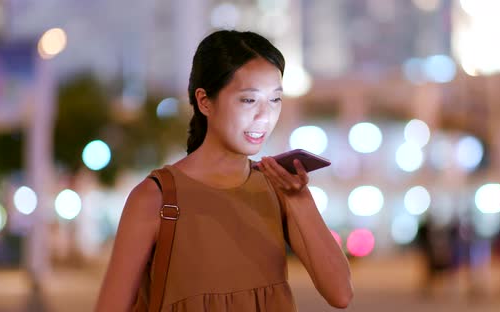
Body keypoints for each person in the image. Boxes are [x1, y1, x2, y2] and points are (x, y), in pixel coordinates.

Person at [95, 30, 353, 311]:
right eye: (249, 100)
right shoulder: (156, 197)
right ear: (204, 101)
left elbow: (340, 294)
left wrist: (299, 199)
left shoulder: (279, 188)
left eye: (275, 100)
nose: (264, 117)